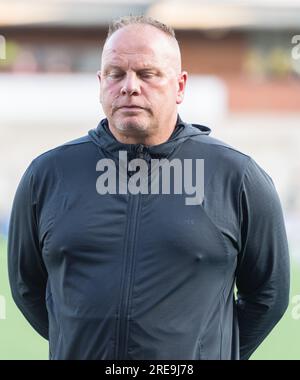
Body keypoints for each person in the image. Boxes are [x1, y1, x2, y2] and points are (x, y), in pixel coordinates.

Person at [8, 15, 290, 360]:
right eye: (115, 74)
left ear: (180, 86)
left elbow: (268, 295)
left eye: (147, 74)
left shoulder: (236, 177)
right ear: (100, 83)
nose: (129, 86)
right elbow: (28, 289)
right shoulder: (48, 175)